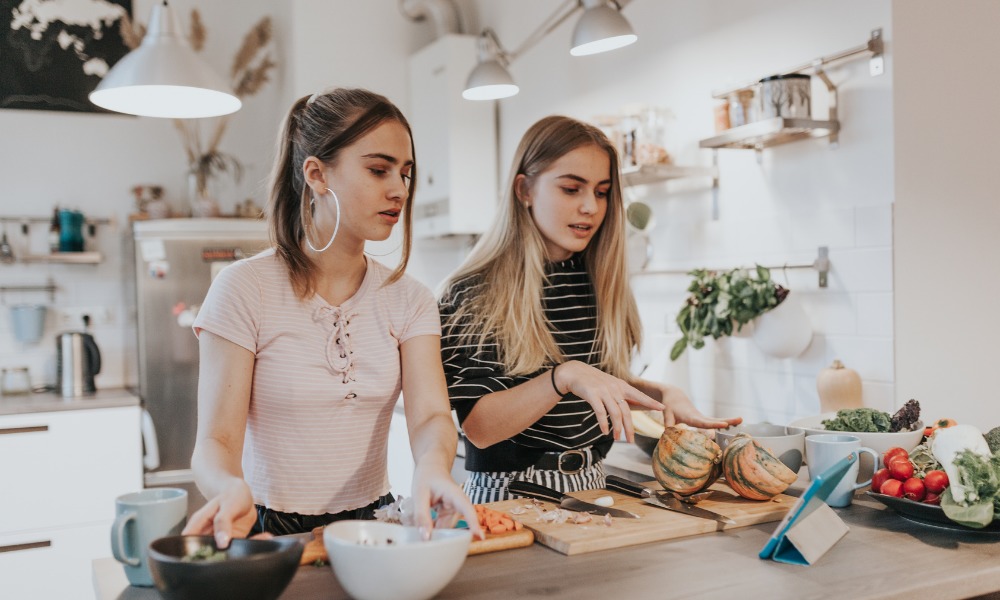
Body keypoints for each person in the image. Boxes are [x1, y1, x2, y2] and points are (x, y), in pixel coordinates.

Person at [183, 88, 482, 547]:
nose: (399, 189)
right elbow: (215, 442)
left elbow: (430, 417)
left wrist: (433, 467)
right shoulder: (244, 288)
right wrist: (227, 487)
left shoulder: (411, 299)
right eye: (379, 170)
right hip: (265, 527)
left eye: (405, 173)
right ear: (317, 175)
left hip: (374, 524)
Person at [439, 116, 742, 503]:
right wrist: (563, 376)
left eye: (602, 192)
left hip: (591, 483)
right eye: (571, 189)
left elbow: (596, 382)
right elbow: (480, 429)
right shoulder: (473, 293)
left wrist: (662, 394)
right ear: (524, 189)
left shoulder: (598, 280)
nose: (590, 207)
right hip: (509, 492)